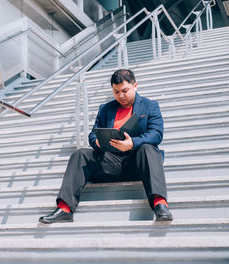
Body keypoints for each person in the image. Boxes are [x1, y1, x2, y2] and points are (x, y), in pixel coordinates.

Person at [39, 69, 173, 224]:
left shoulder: (150, 106)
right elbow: (93, 134)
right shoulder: (105, 109)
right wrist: (96, 142)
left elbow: (156, 134)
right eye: (116, 92)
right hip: (111, 163)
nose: (121, 96)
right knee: (80, 154)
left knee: (148, 148)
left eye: (125, 90)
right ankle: (65, 209)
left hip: (139, 163)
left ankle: (160, 204)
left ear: (135, 85)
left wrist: (132, 144)